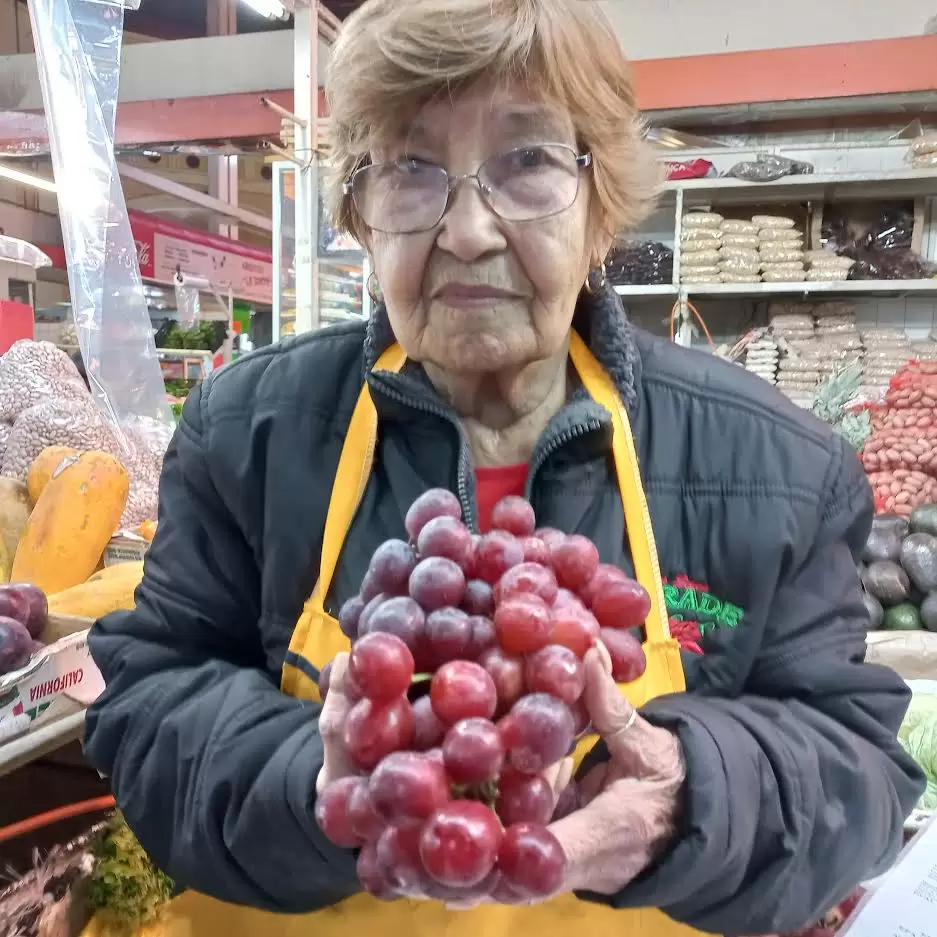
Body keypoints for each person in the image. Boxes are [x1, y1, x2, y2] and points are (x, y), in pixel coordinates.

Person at [83, 1, 924, 936]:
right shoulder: (245, 434)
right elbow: (148, 707)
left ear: (599, 203)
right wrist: (316, 790)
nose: (469, 230)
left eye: (526, 161)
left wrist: (684, 802)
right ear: (359, 214)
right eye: (410, 167)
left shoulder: (782, 466)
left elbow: (855, 766)